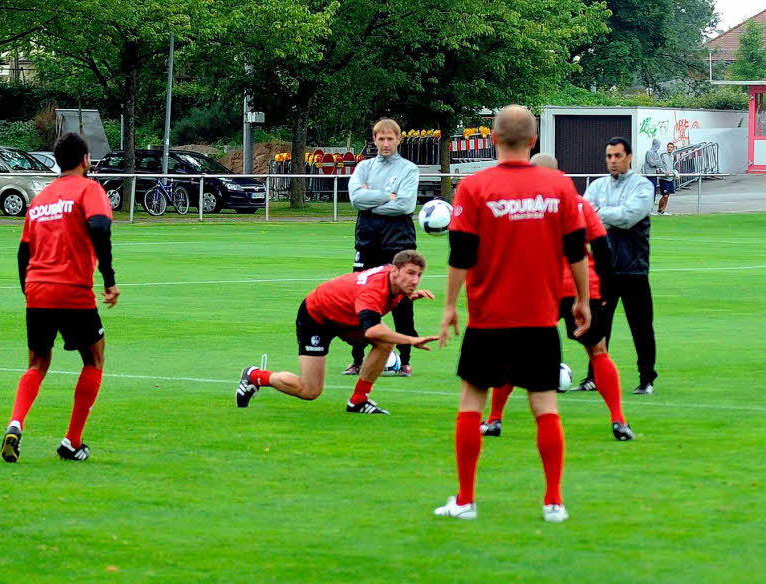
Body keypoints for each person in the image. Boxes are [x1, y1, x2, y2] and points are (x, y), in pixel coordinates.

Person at [434, 105, 590, 523]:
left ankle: (465, 500)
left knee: (471, 402)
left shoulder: (474, 187)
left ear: (492, 137)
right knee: (545, 406)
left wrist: (449, 306)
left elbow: (460, 254)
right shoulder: (559, 185)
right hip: (540, 319)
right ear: (534, 140)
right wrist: (582, 299)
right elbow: (576, 249)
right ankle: (553, 502)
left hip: (488, 320)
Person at [480, 153, 635, 442]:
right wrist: (603, 293)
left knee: (514, 353)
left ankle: (494, 420)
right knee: (598, 352)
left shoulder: (521, 205)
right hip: (581, 288)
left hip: (539, 289)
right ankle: (619, 421)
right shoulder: (579, 203)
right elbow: (602, 249)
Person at [1, 132, 119, 463]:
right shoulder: (89, 189)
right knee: (94, 360)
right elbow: (99, 227)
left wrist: (31, 290)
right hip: (73, 290)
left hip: (37, 291)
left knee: (37, 364)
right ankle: (72, 441)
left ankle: (15, 423)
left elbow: (23, 253)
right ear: (85, 160)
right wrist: (108, 280)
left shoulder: (41, 199)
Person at [236, 250, 438, 415]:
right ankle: (254, 376)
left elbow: (377, 303)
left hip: (345, 317)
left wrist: (409, 295)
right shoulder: (373, 291)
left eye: (419, 275)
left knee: (385, 343)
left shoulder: (392, 280)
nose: (415, 280)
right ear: (395, 271)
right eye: (410, 273)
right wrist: (411, 340)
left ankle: (358, 401)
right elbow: (372, 330)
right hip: (316, 317)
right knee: (310, 390)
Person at [344, 119, 421, 377]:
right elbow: (355, 198)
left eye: (390, 139)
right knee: (361, 300)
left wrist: (372, 201)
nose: (386, 144)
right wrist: (387, 196)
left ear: (399, 139)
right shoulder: (364, 167)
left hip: (398, 245)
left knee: (401, 302)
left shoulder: (409, 169)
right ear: (374, 139)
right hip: (367, 243)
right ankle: (357, 359)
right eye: (381, 139)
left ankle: (406, 359)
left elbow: (405, 206)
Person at [583, 137, 657, 395]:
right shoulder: (598, 185)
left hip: (633, 268)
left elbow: (628, 217)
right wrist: (607, 213)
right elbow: (584, 214)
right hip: (602, 269)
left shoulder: (643, 186)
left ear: (629, 157)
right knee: (598, 327)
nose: (612, 161)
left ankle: (646, 378)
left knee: (641, 326)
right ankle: (593, 377)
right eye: (609, 156)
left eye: (617, 156)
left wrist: (600, 213)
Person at [657, 142, 677, 215]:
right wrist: (664, 172)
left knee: (667, 196)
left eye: (671, 147)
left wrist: (675, 172)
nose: (669, 148)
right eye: (668, 147)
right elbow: (659, 166)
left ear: (673, 148)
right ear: (667, 147)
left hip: (670, 179)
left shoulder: (673, 156)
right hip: (664, 179)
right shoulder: (663, 155)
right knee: (664, 195)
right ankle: (659, 208)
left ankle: (663, 211)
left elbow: (673, 167)